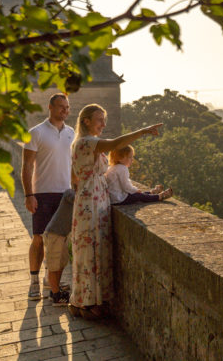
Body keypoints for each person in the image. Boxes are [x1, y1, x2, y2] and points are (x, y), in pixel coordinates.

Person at [70, 104, 161, 319]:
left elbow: (74, 177)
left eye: (104, 119)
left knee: (92, 251)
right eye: (99, 120)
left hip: (93, 198)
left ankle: (86, 301)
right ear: (86, 121)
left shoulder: (81, 143)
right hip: (91, 201)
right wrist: (143, 131)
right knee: (89, 252)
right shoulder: (86, 142)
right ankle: (86, 303)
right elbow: (115, 144)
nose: (103, 124)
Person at [22, 93, 75, 301]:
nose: (65, 110)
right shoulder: (36, 133)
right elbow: (26, 166)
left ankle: (49, 279)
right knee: (38, 239)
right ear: (50, 107)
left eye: (67, 107)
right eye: (61, 107)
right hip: (42, 193)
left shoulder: (71, 133)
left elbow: (72, 165)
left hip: (65, 194)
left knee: (59, 241)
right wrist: (29, 195)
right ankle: (34, 281)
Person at [104, 145, 173, 205]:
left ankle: (151, 192)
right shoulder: (122, 168)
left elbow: (125, 184)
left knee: (138, 193)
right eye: (130, 157)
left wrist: (135, 190)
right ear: (120, 158)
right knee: (139, 196)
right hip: (118, 199)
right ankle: (159, 196)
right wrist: (135, 190)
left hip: (113, 198)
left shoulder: (112, 168)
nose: (132, 160)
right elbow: (126, 187)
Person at [41, 188, 76, 306]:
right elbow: (78, 199)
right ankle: (56, 296)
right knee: (53, 265)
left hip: (62, 235)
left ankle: (55, 291)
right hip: (54, 234)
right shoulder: (69, 193)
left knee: (61, 264)